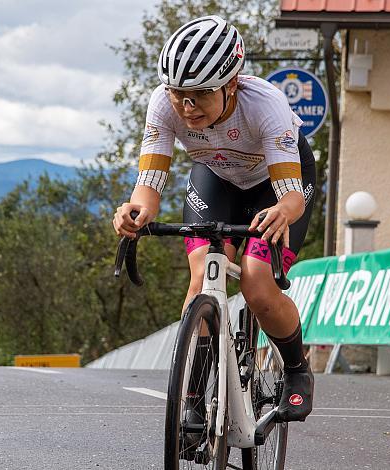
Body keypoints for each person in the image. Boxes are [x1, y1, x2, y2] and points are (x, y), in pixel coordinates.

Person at [113, 15, 316, 422]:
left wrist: (282, 212)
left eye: (201, 94)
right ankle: (192, 399)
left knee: (257, 284)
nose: (187, 107)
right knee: (202, 274)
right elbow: (149, 184)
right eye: (178, 94)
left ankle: (297, 370)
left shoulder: (266, 105)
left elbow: (291, 198)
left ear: (232, 84)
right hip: (216, 178)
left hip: (274, 187)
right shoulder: (162, 104)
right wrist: (136, 212)